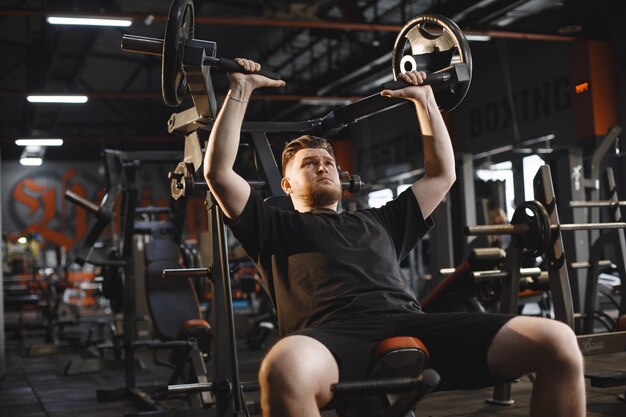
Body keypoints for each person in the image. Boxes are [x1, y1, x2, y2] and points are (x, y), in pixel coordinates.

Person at [204, 58, 585, 417]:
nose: (323, 166)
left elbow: (441, 175)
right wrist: (240, 89)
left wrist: (425, 101)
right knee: (283, 367)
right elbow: (219, 173)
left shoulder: (381, 220)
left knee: (558, 342)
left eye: (329, 162)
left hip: (411, 323)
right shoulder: (273, 226)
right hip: (333, 336)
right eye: (309, 163)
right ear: (286, 184)